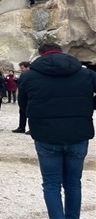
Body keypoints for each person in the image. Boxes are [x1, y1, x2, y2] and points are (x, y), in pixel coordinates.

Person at [18, 42, 96, 219]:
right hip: (78, 134)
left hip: (46, 135)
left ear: (40, 55)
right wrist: (89, 105)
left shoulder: (28, 77)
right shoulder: (86, 74)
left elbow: (24, 106)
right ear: (62, 53)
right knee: (74, 183)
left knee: (52, 184)